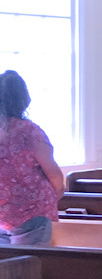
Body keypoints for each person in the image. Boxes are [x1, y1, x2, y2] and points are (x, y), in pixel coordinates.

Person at [0, 70, 65, 246]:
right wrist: (57, 191)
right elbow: (53, 173)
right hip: (30, 211)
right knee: (29, 261)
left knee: (4, 261)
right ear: (23, 99)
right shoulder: (29, 131)